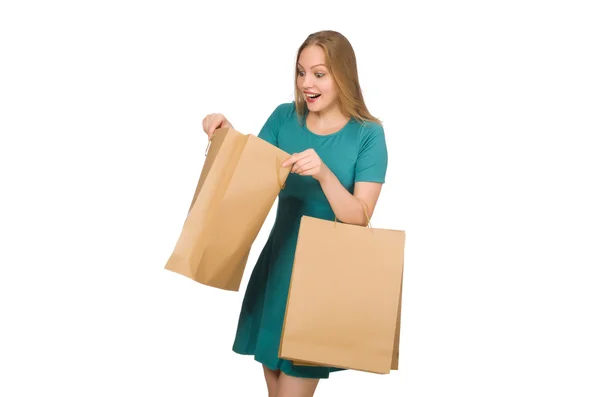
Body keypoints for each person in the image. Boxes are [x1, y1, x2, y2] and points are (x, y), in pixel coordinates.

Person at [201, 30, 388, 397]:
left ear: (343, 75)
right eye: (301, 72)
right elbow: (249, 174)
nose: (306, 83)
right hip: (277, 268)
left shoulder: (369, 135)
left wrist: (324, 174)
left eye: (319, 73)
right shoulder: (284, 118)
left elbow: (360, 215)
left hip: (322, 281)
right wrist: (226, 133)